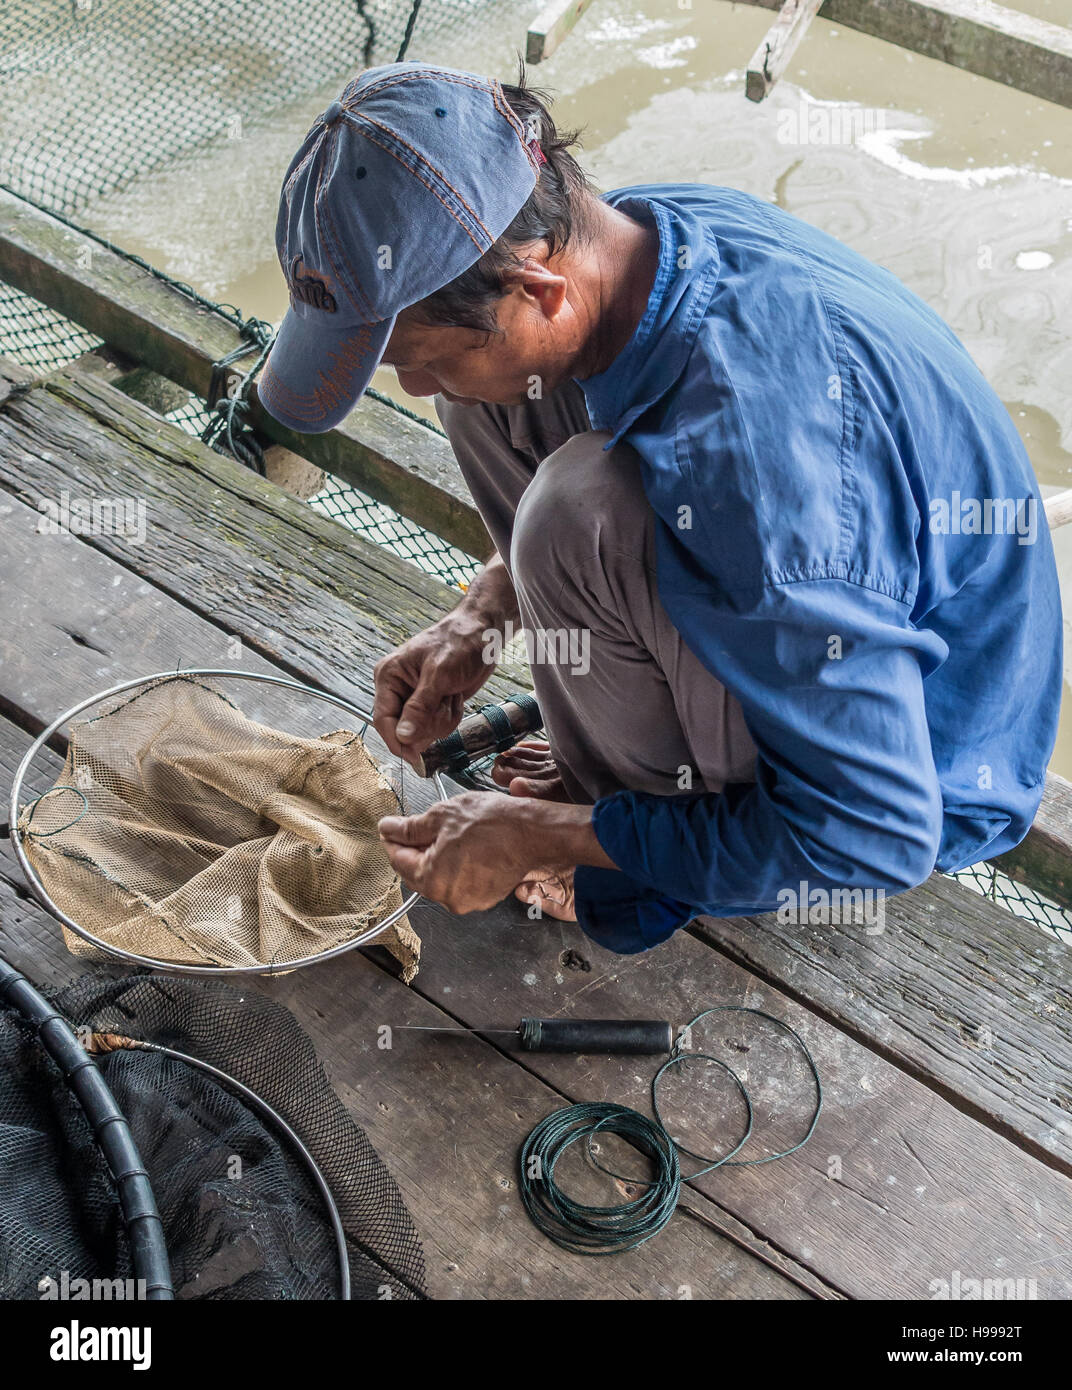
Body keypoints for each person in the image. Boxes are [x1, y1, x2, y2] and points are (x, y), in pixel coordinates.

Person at [258, 61, 1061, 954]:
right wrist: (485, 612)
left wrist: (541, 834)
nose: (405, 383)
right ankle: (622, 769)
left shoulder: (756, 478)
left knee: (573, 509)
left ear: (538, 290)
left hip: (899, 770)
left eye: (413, 354)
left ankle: (636, 855)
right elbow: (608, 419)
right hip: (797, 589)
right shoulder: (624, 236)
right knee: (482, 392)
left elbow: (875, 836)